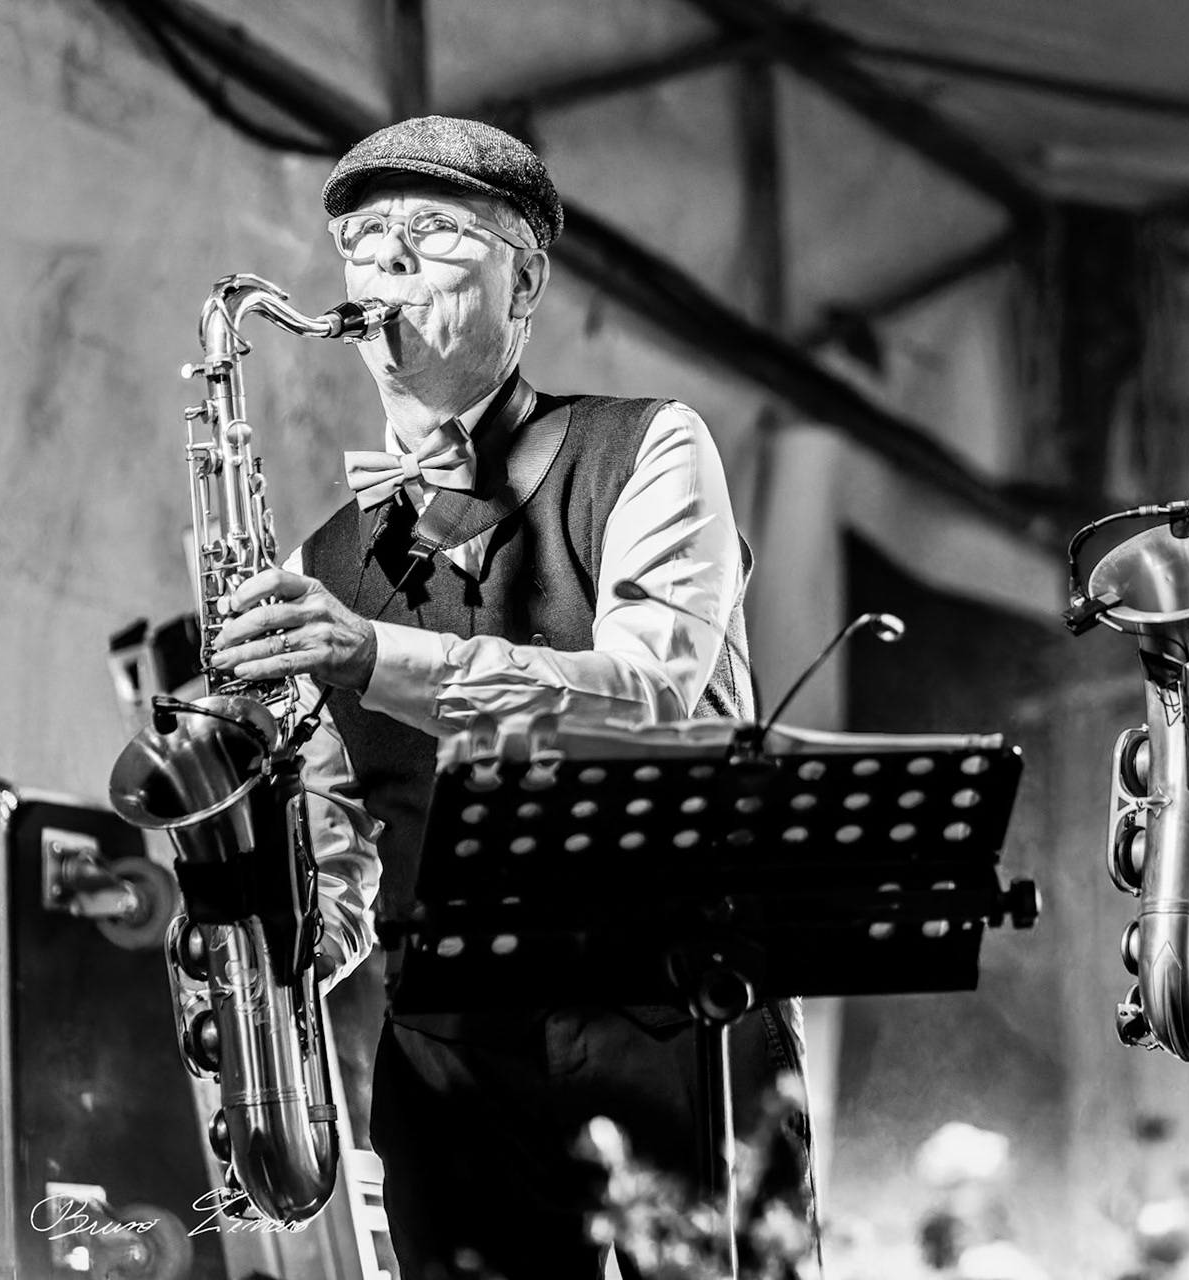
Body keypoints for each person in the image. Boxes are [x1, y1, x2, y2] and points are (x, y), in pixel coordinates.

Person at [207, 115, 813, 1279]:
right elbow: (338, 874)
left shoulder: (646, 448)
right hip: (449, 1065)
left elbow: (656, 696)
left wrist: (377, 657)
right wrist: (246, 912)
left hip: (667, 1015)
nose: (383, 263)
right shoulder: (324, 559)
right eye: (362, 237)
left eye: (433, 233)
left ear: (524, 276)